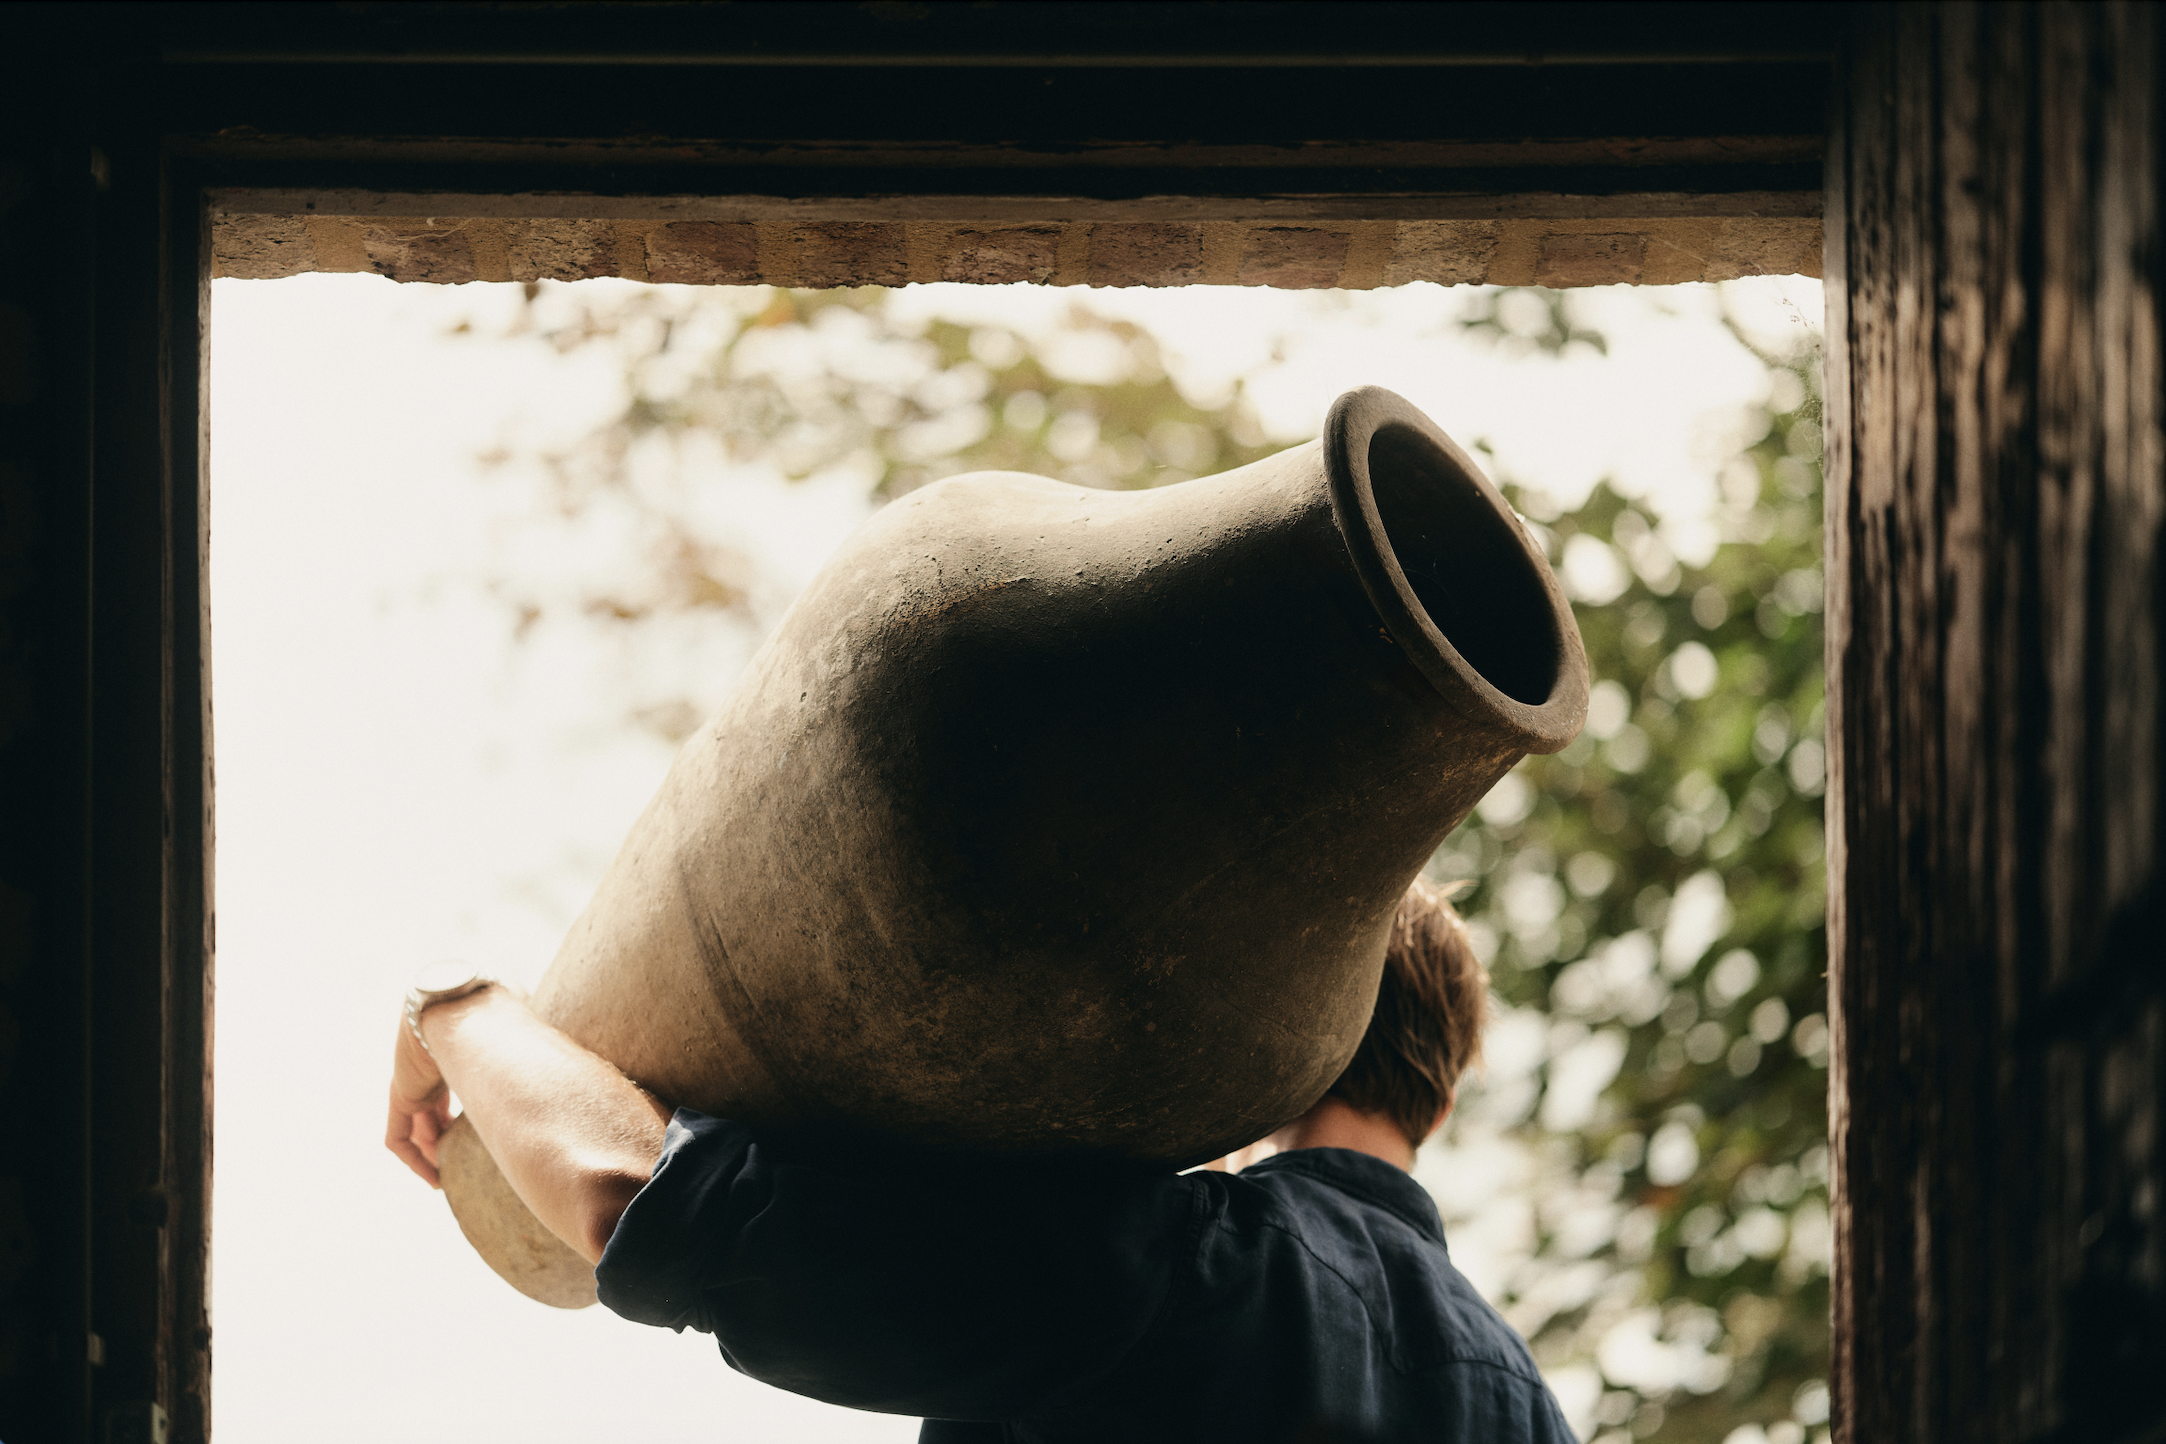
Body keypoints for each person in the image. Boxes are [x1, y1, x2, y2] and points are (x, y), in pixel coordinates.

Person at [388, 878, 1575, 1443]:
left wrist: (460, 1004)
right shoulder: (1532, 1412)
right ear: (1444, 1087)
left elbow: (649, 1207)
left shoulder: (1190, 1270)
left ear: (1282, 1007)